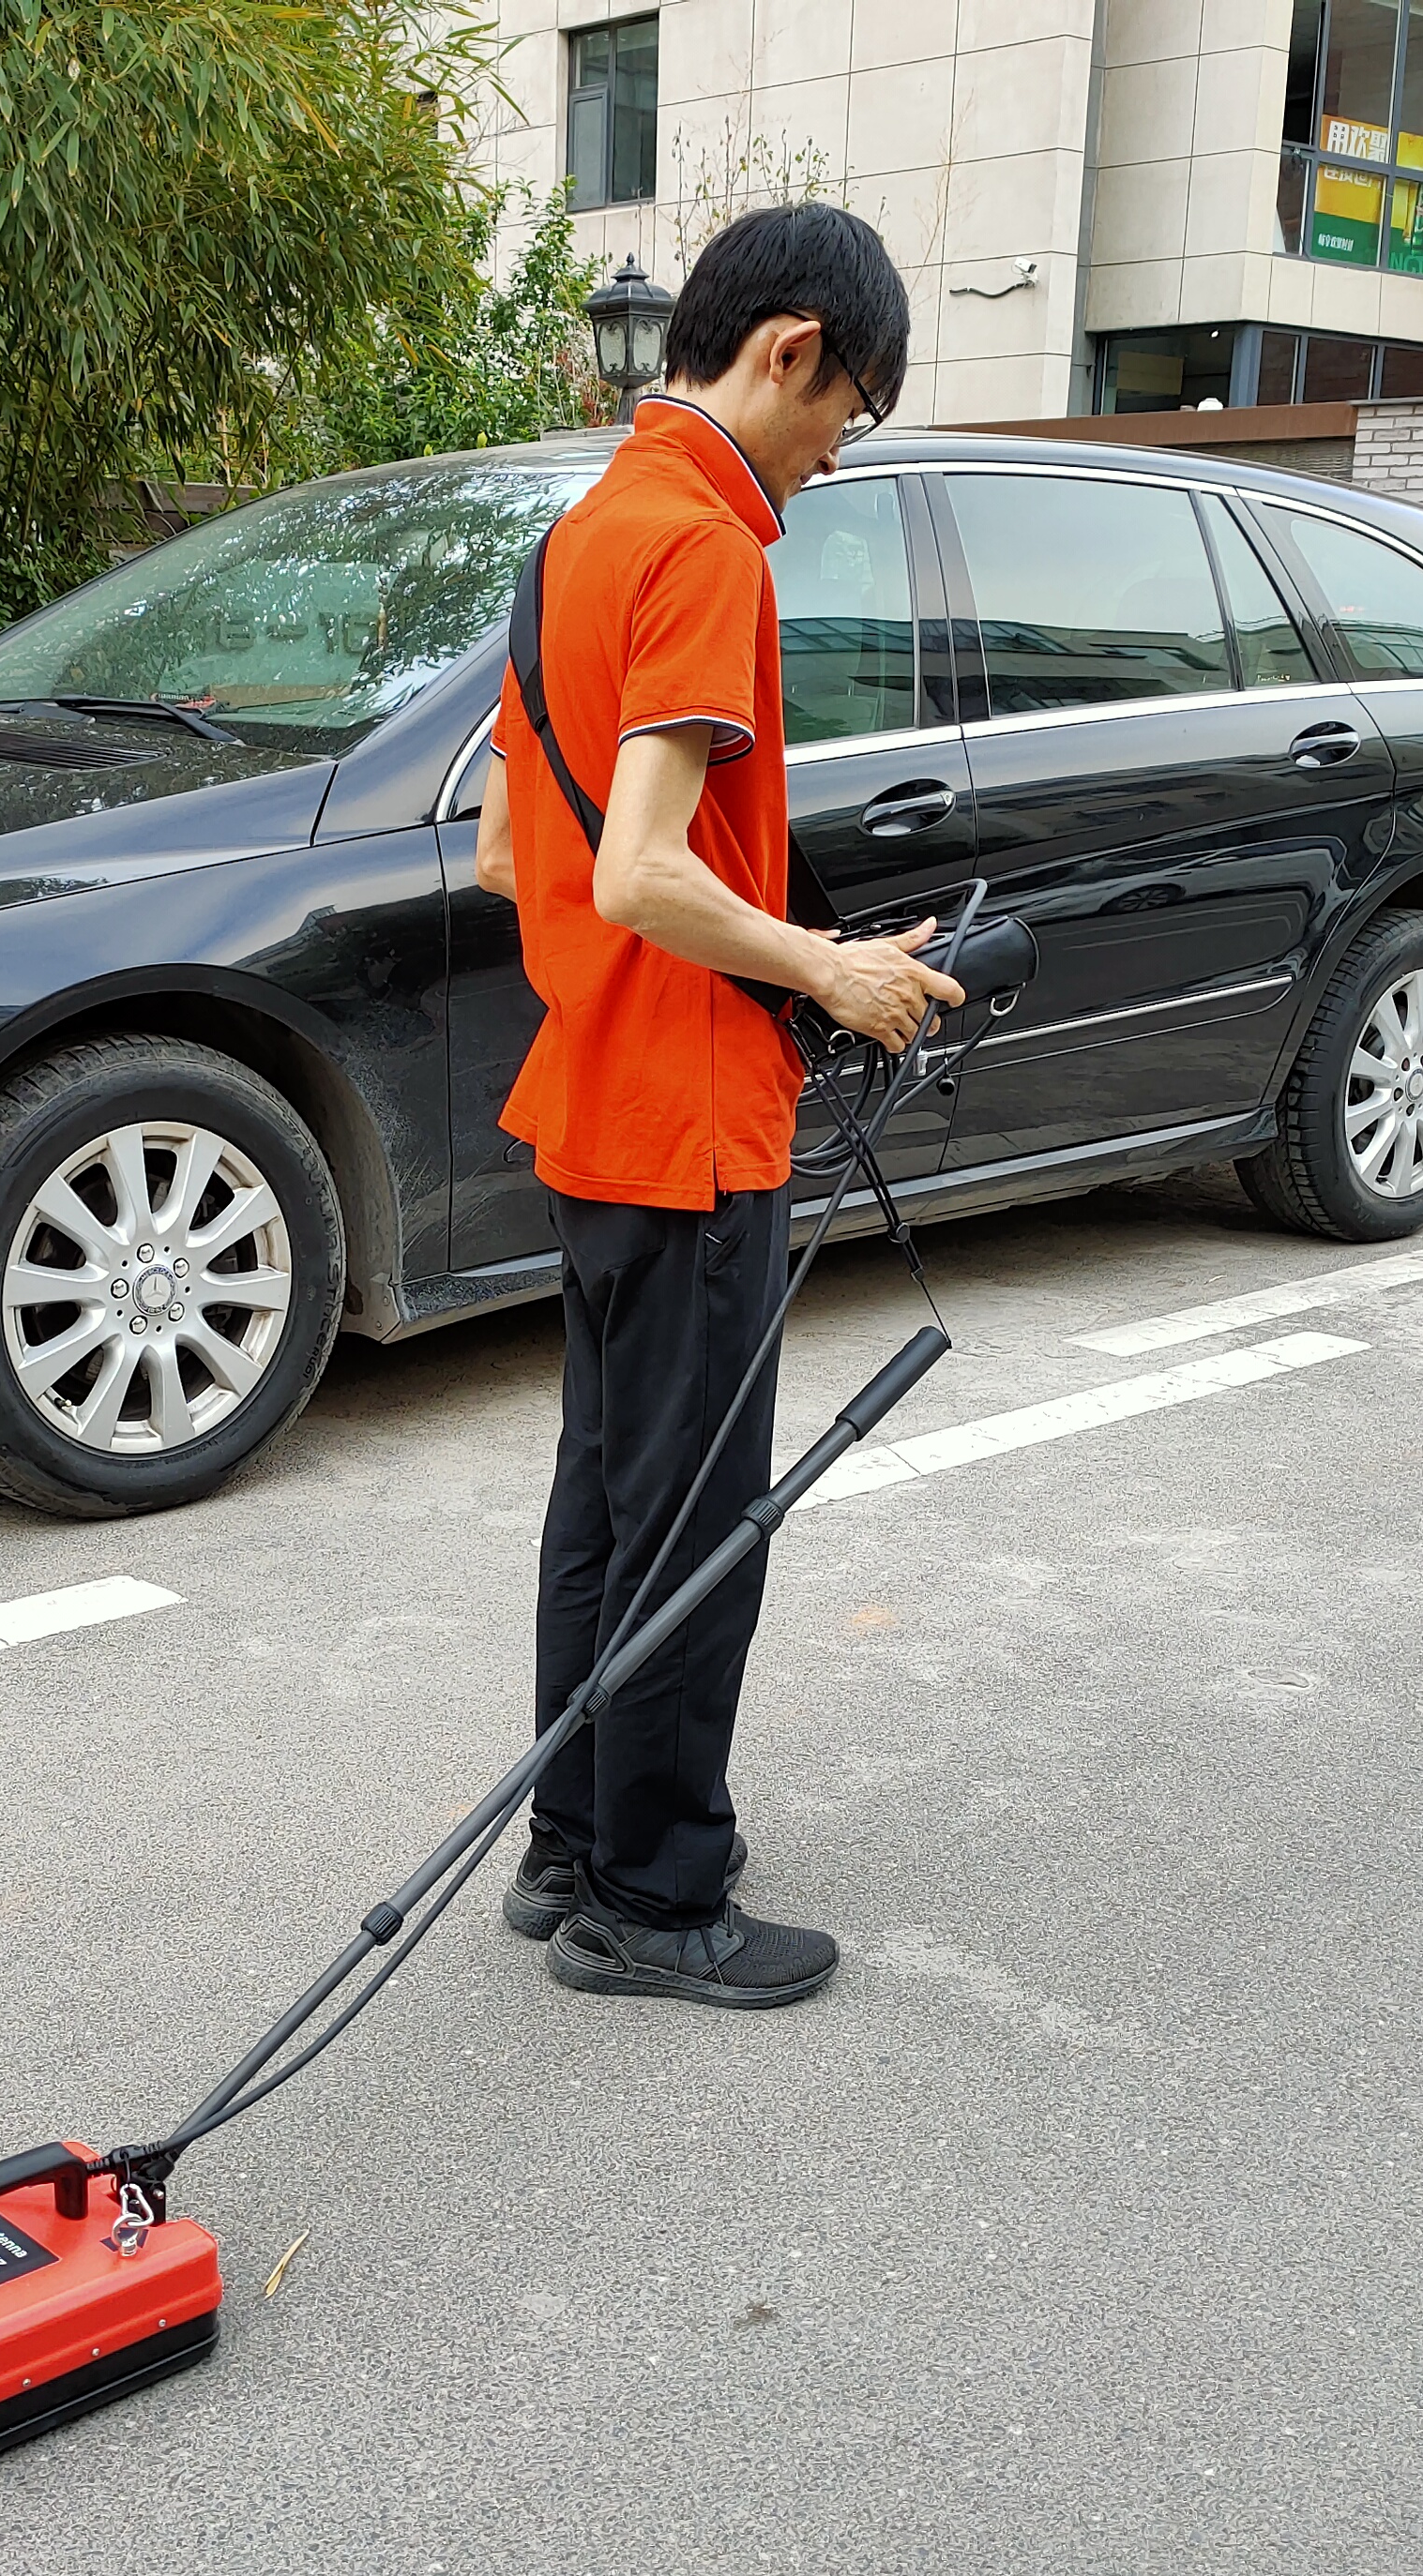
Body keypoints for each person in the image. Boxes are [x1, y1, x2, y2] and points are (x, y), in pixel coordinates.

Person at [474, 204, 962, 2010]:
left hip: (598, 1093)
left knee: (608, 1492)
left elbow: (512, 844)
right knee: (696, 1522)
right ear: (787, 349)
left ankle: (565, 1842)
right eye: (853, 406)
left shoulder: (579, 536)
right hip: (689, 1119)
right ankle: (655, 1902)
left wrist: (790, 946)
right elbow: (642, 872)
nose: (841, 447)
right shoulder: (705, 548)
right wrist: (822, 973)